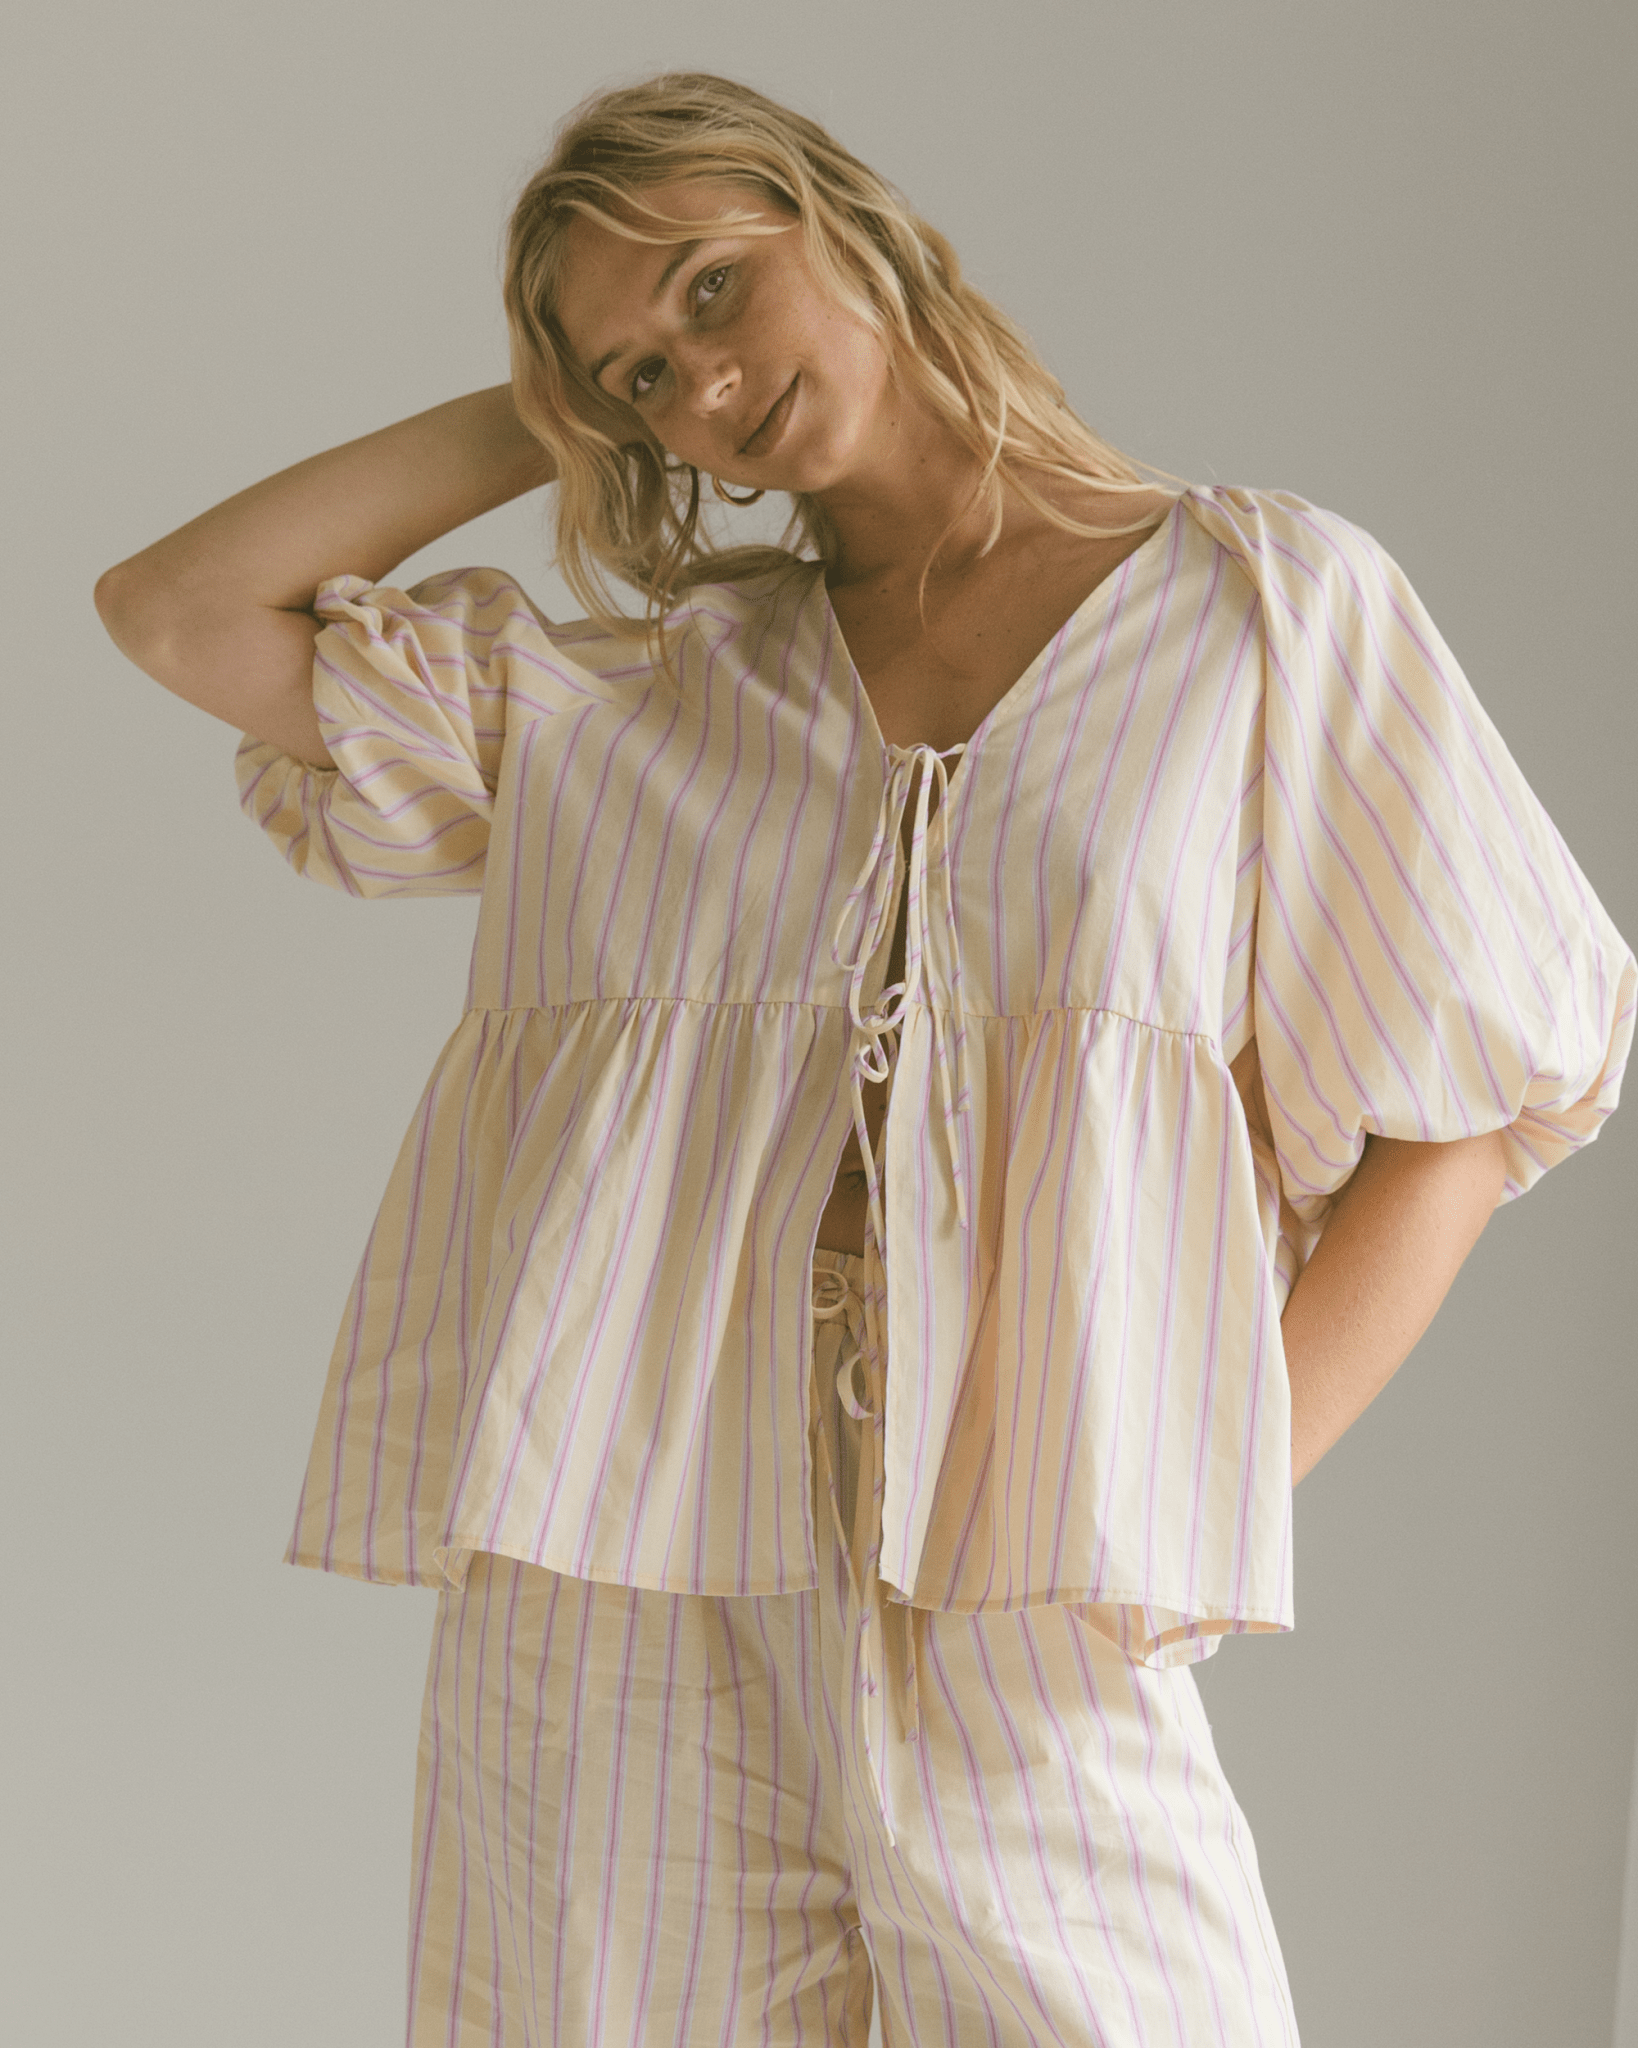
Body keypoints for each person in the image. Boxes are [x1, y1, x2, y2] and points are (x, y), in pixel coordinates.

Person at [92, 69, 1633, 2048]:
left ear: (851, 223)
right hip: (632, 1551)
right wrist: (547, 405)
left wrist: (1189, 1497)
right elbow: (178, 611)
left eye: (712, 290)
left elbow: (1468, 1117)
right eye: (642, 378)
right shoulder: (649, 693)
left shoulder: (1262, 612)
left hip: (1017, 1557)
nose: (704, 384)